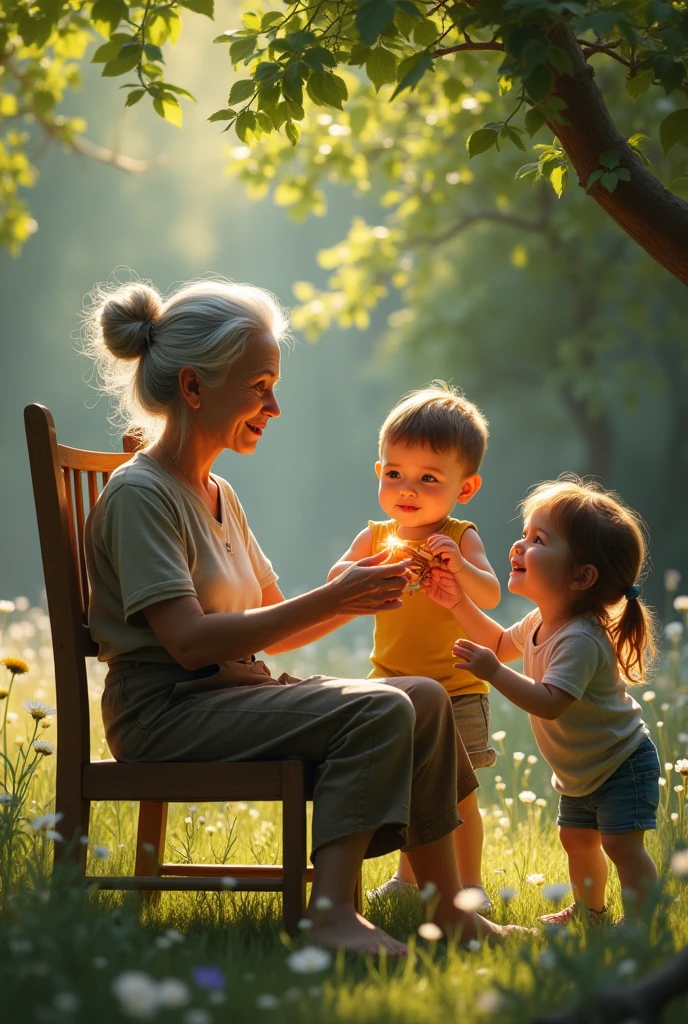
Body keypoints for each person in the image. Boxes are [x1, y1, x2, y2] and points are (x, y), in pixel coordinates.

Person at [82, 277, 523, 953]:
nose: (275, 405)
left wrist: (362, 591)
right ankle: (331, 914)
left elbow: (271, 615)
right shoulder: (141, 494)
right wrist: (339, 595)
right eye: (259, 385)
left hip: (230, 696)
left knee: (427, 699)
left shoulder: (218, 492)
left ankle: (452, 913)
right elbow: (190, 642)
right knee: (379, 709)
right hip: (166, 711)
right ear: (195, 387)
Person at [422, 475, 660, 925]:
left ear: (581, 576)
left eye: (538, 540)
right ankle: (590, 912)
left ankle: (642, 922)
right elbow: (495, 641)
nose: (518, 545)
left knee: (621, 846)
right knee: (576, 839)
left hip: (622, 764)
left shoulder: (581, 638)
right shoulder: (539, 621)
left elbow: (550, 701)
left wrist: (494, 674)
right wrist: (457, 602)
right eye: (524, 534)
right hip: (581, 771)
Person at [328, 383, 499, 911]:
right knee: (411, 794)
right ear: (378, 472)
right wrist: (370, 569)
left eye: (429, 478)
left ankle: (468, 885)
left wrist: (460, 565)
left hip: (456, 688)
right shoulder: (377, 536)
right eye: (394, 473)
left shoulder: (458, 533)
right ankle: (409, 881)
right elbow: (334, 581)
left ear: (464, 488)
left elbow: (491, 593)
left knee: (459, 796)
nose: (408, 488)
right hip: (393, 686)